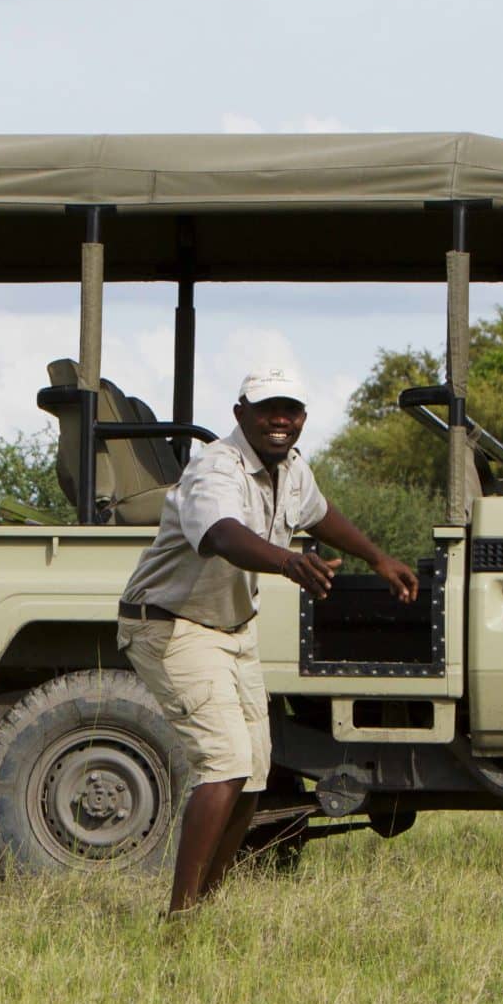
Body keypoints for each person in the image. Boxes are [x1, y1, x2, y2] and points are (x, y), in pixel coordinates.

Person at [116, 365, 418, 915]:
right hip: (173, 624)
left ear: (302, 418)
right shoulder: (216, 467)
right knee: (225, 764)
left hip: (233, 629)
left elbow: (320, 514)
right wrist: (289, 562)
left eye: (292, 410)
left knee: (253, 775)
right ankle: (179, 919)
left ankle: (204, 906)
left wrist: (379, 559)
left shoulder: (291, 468)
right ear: (240, 415)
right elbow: (220, 534)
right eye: (266, 409)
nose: (281, 420)